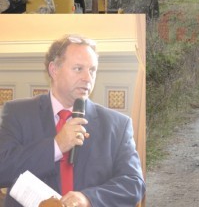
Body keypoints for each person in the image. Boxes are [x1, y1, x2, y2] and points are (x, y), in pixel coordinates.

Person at [0, 35, 146, 207]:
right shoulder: (18, 113)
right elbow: (3, 169)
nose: (87, 78)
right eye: (78, 69)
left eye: (92, 70)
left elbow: (134, 184)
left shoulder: (118, 125)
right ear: (54, 70)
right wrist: (56, 146)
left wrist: (89, 199)